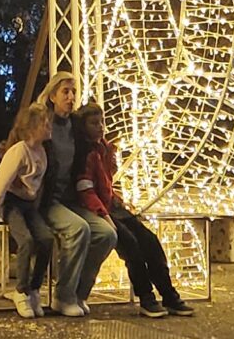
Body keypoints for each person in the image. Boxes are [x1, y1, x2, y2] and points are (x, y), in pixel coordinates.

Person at [75, 101, 189, 316]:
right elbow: (86, 188)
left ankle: (169, 295)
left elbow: (104, 183)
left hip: (112, 206)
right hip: (100, 210)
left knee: (150, 241)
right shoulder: (86, 155)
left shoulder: (104, 149)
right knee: (132, 247)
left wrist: (116, 199)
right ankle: (146, 297)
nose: (100, 127)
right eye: (94, 123)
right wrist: (103, 213)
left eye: (102, 122)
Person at [34, 73, 117, 316]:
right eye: (65, 92)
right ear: (52, 96)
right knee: (79, 229)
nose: (71, 97)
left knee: (107, 234)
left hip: (73, 198)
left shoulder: (75, 127)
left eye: (73, 92)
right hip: (47, 199)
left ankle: (80, 293)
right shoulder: (42, 122)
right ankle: (64, 295)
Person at [0, 99, 53, 319]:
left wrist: (34, 199)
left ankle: (35, 288)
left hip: (29, 204)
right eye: (45, 124)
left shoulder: (41, 152)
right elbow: (2, 181)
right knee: (26, 241)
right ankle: (21, 290)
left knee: (46, 239)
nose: (49, 127)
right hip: (12, 203)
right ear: (34, 127)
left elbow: (36, 183)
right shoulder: (18, 151)